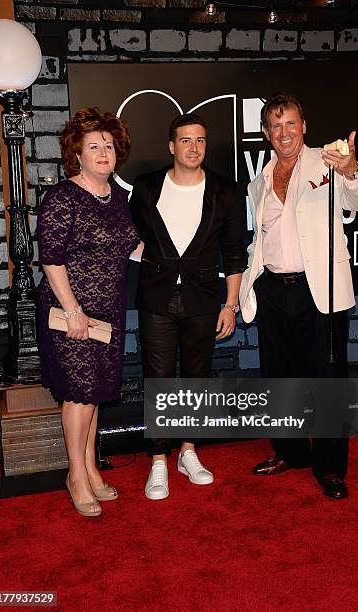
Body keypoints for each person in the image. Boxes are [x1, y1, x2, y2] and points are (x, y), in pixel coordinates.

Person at [239, 92, 358, 499]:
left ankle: (330, 467)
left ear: (304, 126)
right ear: (265, 133)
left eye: (291, 123)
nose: (285, 133)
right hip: (273, 290)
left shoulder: (327, 162)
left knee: (328, 382)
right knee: (281, 380)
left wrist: (351, 169)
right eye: (276, 126)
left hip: (322, 291)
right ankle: (290, 452)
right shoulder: (257, 182)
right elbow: (258, 239)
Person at [130, 113, 246, 500]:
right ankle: (159, 459)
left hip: (203, 300)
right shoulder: (146, 188)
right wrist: (155, 259)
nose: (193, 148)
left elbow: (233, 254)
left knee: (197, 377)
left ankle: (189, 451)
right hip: (156, 297)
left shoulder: (225, 191)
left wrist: (231, 305)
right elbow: (127, 235)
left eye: (200, 140)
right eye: (185, 140)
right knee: (159, 378)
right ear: (171, 145)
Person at [37, 107, 140, 517]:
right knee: (79, 396)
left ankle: (92, 469)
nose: (103, 153)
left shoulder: (117, 196)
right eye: (93, 146)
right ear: (76, 154)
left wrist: (175, 264)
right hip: (70, 312)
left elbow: (128, 246)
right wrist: (74, 310)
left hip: (108, 311)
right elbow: (51, 259)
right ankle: (76, 475)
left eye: (109, 146)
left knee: (94, 394)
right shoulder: (62, 197)